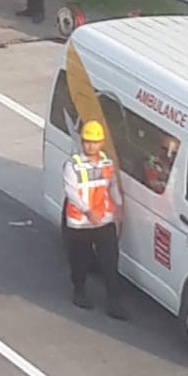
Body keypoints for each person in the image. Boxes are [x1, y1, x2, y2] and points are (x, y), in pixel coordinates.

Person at [63, 120, 127, 319]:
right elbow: (71, 192)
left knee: (110, 262)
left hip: (103, 221)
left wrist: (118, 205)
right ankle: (79, 292)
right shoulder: (73, 165)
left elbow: (112, 185)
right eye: (87, 141)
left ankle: (113, 302)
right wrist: (88, 211)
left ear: (101, 143)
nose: (90, 146)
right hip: (80, 223)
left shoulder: (107, 163)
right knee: (79, 262)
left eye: (94, 142)